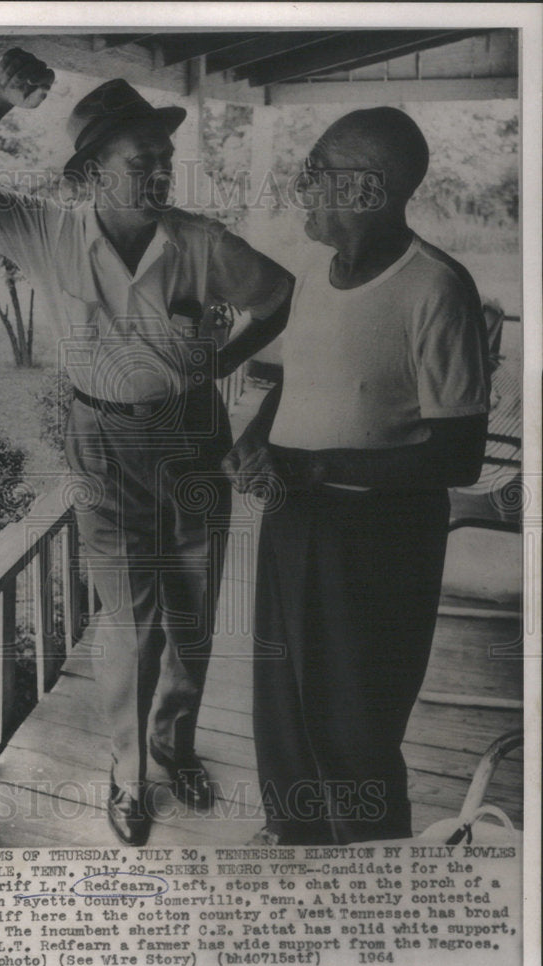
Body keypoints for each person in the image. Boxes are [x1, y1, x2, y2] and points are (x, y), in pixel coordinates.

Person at [0, 49, 294, 845]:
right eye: (144, 159)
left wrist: (219, 363)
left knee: (193, 609)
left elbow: (277, 297)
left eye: (166, 157)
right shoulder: (47, 235)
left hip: (193, 433)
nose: (162, 169)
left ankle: (175, 743)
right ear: (93, 171)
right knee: (131, 619)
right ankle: (129, 774)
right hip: (101, 441)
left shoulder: (200, 243)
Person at [222, 107, 489, 845]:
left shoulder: (437, 290)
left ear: (369, 190)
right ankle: (293, 839)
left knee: (355, 726)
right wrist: (255, 439)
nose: (300, 186)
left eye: (317, 173)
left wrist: (320, 466)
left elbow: (459, 455)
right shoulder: (314, 273)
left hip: (378, 539)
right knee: (281, 703)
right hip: (292, 517)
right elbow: (293, 379)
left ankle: (372, 870)